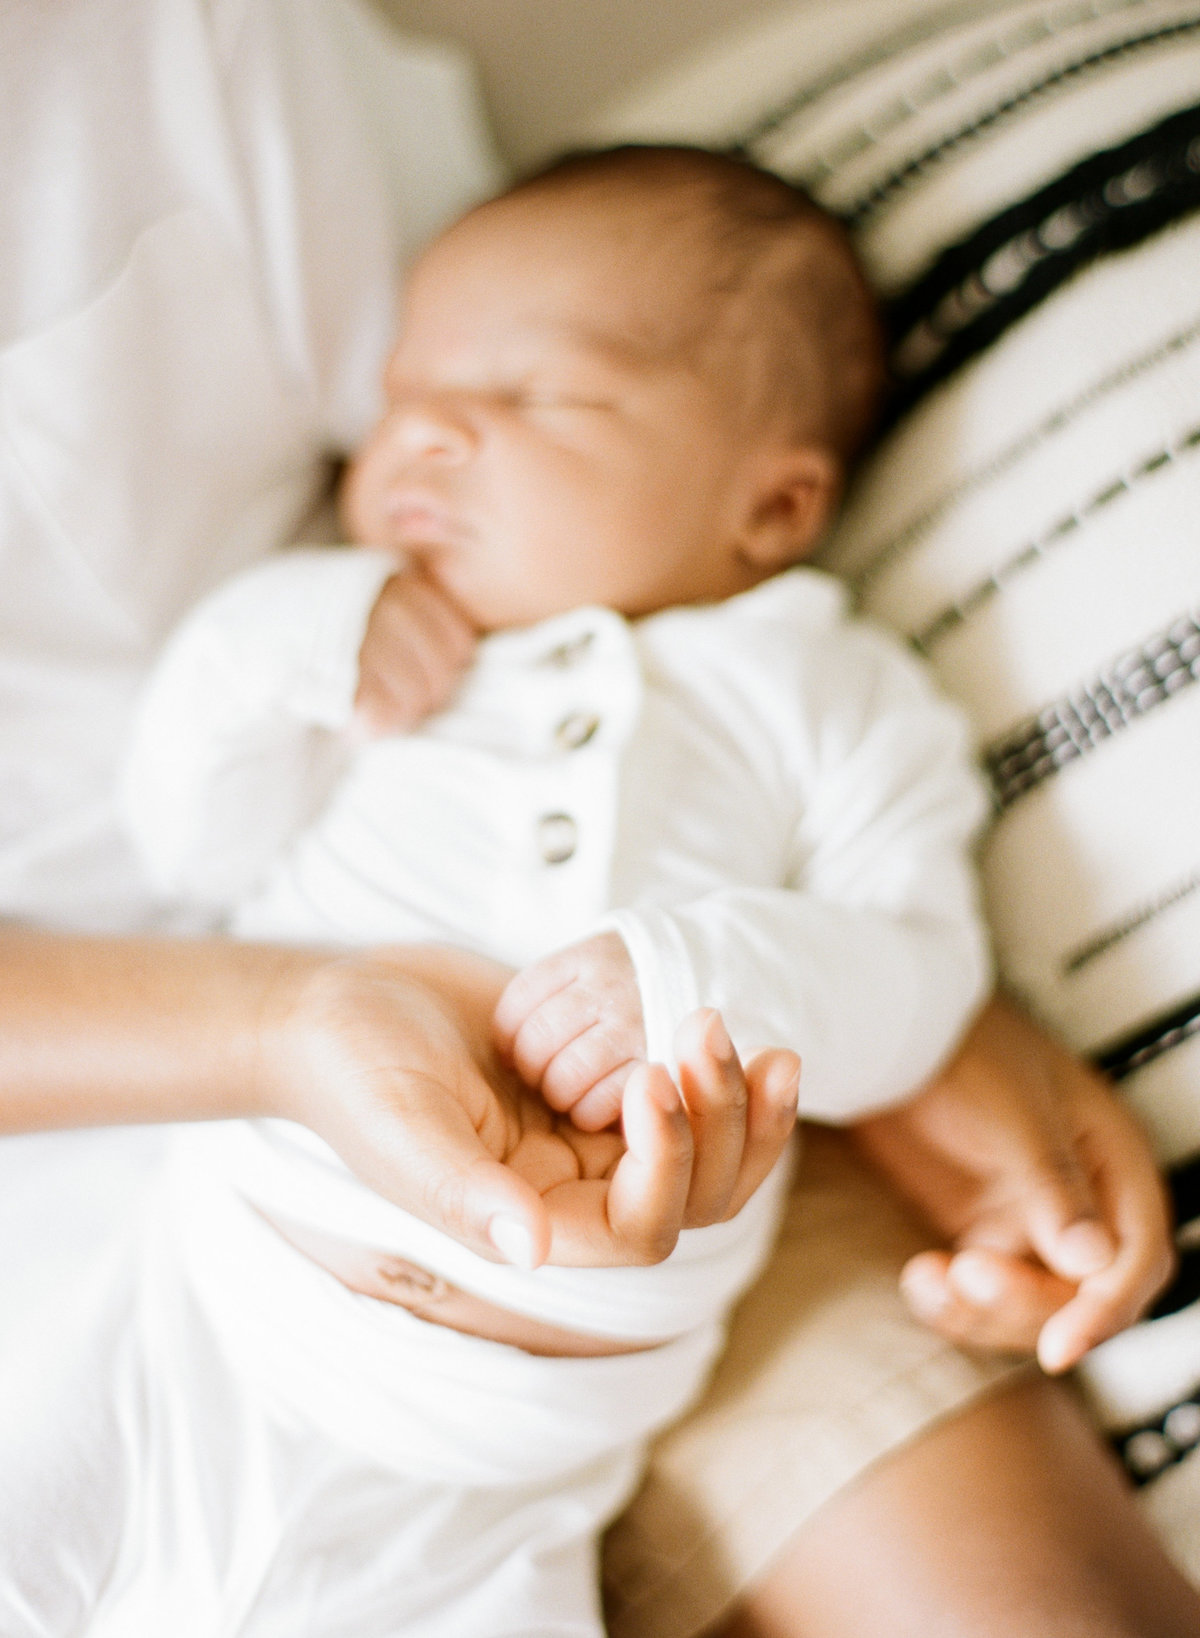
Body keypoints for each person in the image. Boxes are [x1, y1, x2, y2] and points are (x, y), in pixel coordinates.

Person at [0, 5, 1189, 1637]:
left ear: (769, 509)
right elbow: (194, 832)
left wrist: (722, 973)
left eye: (530, 396)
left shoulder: (826, 695)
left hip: (504, 1464)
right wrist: (276, 647)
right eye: (405, 397)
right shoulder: (375, 654)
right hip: (211, 1305)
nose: (421, 430)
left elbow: (912, 972)